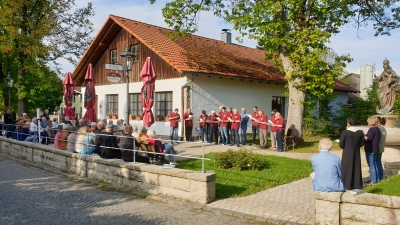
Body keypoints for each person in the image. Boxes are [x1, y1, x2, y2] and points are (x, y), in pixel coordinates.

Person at [339, 118, 364, 190]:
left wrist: (344, 146)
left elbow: (341, 144)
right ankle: (356, 184)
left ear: (348, 124)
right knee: (356, 167)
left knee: (346, 167)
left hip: (347, 152)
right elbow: (362, 143)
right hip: (356, 152)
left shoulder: (345, 132)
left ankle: (346, 184)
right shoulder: (360, 132)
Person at [364, 116, 381, 184]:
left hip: (370, 149)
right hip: (376, 148)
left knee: (371, 165)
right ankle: (377, 179)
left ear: (371, 122)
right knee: (375, 164)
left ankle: (373, 180)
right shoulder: (377, 129)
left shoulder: (371, 129)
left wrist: (364, 136)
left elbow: (369, 139)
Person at [377, 117, 387, 182]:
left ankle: (378, 177)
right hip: (381, 147)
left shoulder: (379, 128)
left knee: (376, 163)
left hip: (377, 147)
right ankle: (380, 176)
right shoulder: (383, 129)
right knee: (379, 162)